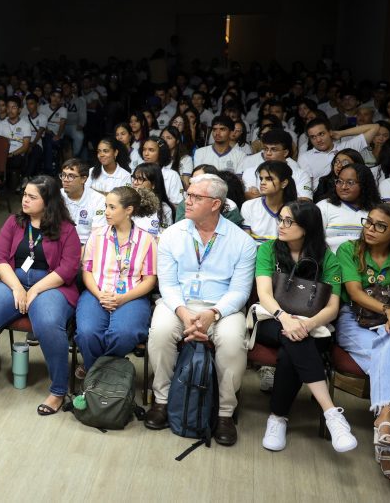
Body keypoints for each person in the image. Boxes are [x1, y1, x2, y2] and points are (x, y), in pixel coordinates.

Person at [143, 173, 257, 446]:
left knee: (232, 341)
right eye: (188, 195)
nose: (188, 201)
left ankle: (224, 412)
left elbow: (239, 292)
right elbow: (167, 284)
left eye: (196, 197)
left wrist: (213, 314)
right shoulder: (172, 235)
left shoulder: (242, 242)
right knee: (160, 331)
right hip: (179, 303)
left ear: (216, 204)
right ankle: (162, 400)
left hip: (222, 307)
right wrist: (183, 313)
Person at [0, 175, 81, 415]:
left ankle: (58, 390)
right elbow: (0, 259)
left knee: (48, 323)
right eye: (24, 195)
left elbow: (68, 269)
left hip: (52, 285)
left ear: (48, 201)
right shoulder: (14, 222)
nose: (25, 200)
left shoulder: (67, 230)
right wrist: (18, 288)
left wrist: (36, 289)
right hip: (14, 280)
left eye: (32, 197)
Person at [252, 200, 356, 453]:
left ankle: (277, 417)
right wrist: (285, 318)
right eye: (281, 219)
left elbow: (332, 308)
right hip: (271, 319)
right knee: (293, 337)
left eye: (289, 221)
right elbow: (264, 294)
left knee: (292, 347)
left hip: (313, 325)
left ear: (308, 227)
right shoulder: (268, 249)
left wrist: (306, 324)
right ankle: (331, 413)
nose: (281, 225)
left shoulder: (327, 258)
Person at [335, 203, 390, 484]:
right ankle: (388, 432)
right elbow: (355, 293)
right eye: (369, 222)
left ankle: (384, 424)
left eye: (380, 226)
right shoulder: (350, 249)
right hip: (353, 320)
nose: (370, 229)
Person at [74, 186, 158, 375]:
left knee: (124, 334)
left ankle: (95, 372)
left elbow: (149, 280)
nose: (106, 212)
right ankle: (107, 375)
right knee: (87, 333)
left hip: (131, 295)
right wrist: (99, 294)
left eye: (112, 207)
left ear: (128, 210)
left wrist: (123, 298)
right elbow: (87, 271)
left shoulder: (146, 240)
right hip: (96, 291)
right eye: (106, 206)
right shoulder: (97, 235)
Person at [317, 162, 379, 252]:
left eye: (350, 183)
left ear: (364, 185)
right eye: (339, 181)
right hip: (331, 259)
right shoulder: (324, 206)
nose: (343, 187)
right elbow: (315, 242)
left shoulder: (377, 211)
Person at [298, 119, 379, 188]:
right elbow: (306, 186)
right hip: (321, 198)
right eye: (313, 137)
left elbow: (375, 127)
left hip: (350, 194)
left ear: (330, 132)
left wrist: (341, 133)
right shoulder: (305, 158)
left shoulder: (346, 147)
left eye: (321, 134)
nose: (318, 140)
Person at [241, 161, 297, 244]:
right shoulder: (249, 206)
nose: (262, 182)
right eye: (261, 179)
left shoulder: (296, 209)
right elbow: (246, 242)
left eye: (269, 179)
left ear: (284, 183)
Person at [59, 158, 106, 244]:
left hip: (86, 245)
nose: (65, 179)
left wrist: (83, 249)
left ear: (83, 179)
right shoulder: (57, 195)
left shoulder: (99, 200)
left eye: (71, 176)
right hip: (60, 243)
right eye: (63, 175)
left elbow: (97, 235)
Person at [129, 162, 172, 238]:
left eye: (140, 179)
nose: (135, 182)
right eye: (134, 178)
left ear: (153, 184)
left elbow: (164, 238)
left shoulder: (164, 209)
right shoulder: (126, 202)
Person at [139, 136, 183, 205]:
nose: (146, 154)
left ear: (161, 152)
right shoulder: (138, 172)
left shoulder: (172, 175)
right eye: (144, 149)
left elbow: (179, 204)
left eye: (151, 150)